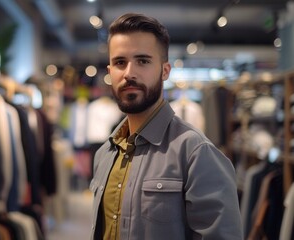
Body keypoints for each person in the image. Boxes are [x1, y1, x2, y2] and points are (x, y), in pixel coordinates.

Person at [89, 13, 243, 240]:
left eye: (143, 61)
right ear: (110, 72)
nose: (129, 73)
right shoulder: (105, 155)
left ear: (165, 71)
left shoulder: (196, 153)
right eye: (120, 62)